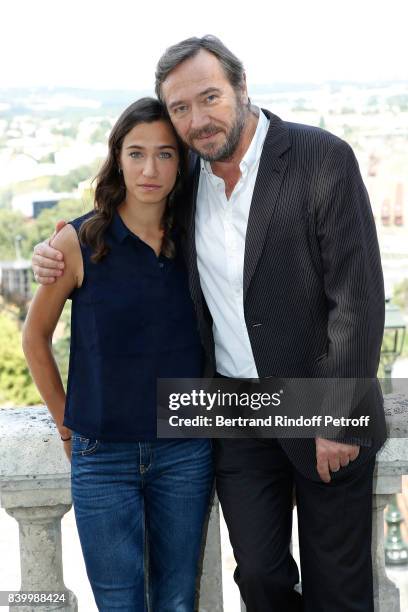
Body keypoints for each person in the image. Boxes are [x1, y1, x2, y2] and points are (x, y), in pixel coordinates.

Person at [32, 36, 386, 612]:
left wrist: (337, 416)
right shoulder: (187, 177)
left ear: (243, 89)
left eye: (210, 97)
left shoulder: (320, 157)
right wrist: (53, 253)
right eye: (180, 108)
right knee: (260, 577)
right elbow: (121, 218)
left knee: (338, 589)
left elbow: (358, 299)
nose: (197, 119)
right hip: (236, 415)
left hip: (320, 406)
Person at [23, 97, 214, 612]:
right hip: (102, 454)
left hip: (184, 450)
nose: (150, 169)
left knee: (176, 599)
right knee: (119, 603)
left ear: (183, 162)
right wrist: (67, 424)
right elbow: (34, 338)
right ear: (118, 158)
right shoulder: (78, 242)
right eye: (136, 153)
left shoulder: (199, 239)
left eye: (165, 154)